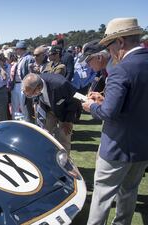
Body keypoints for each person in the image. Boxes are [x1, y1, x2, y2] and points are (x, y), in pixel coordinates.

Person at [82, 17, 148, 225]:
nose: (109, 52)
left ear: (120, 42)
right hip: (142, 146)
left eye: (109, 45)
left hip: (117, 146)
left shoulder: (122, 69)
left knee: (102, 196)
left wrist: (91, 106)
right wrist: (105, 100)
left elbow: (109, 113)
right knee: (129, 192)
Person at [23, 73, 78, 151]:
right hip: (47, 109)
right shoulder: (35, 82)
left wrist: (68, 121)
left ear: (39, 88)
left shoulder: (61, 84)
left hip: (64, 111)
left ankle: (64, 160)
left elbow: (73, 101)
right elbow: (36, 98)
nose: (31, 96)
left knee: (64, 138)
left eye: (32, 94)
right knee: (44, 135)